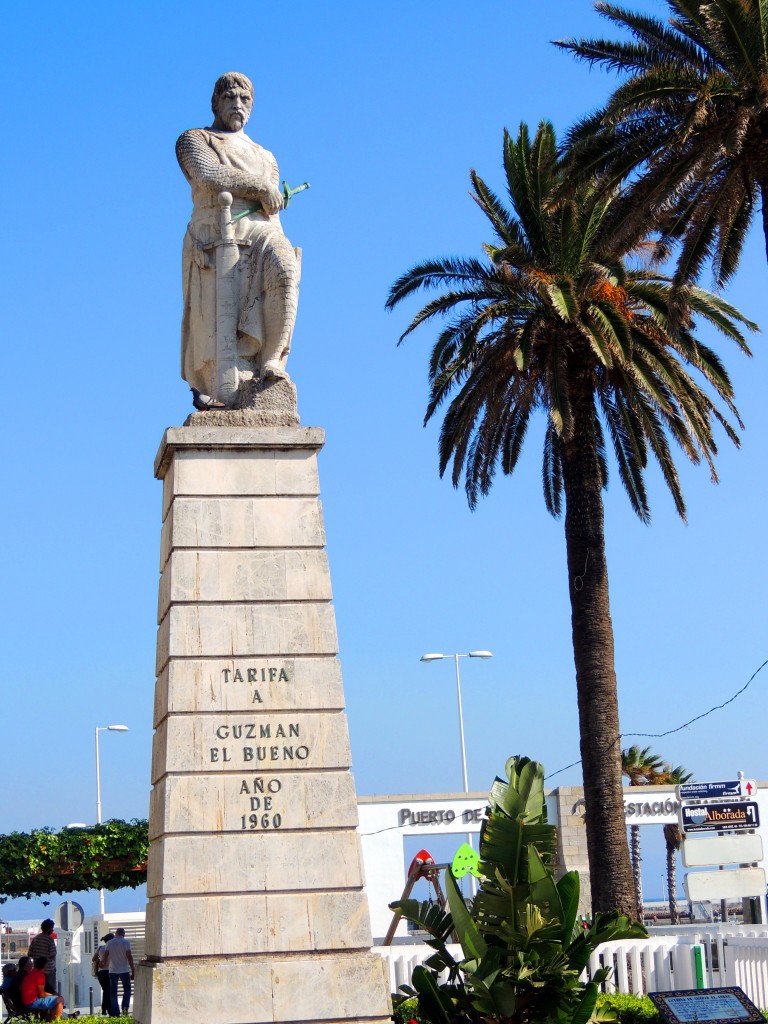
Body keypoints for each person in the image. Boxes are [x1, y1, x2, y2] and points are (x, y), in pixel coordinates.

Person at [177, 71, 301, 399]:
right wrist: (259, 186)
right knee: (218, 328)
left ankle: (272, 359)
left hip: (263, 230)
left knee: (286, 269)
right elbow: (207, 174)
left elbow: (272, 206)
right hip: (215, 231)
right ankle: (224, 387)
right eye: (229, 97)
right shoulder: (195, 139)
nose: (237, 104)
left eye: (244, 99)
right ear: (216, 103)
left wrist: (269, 197)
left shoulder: (266, 156)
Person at [21, 955, 63, 1020]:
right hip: (32, 1002)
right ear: (44, 965)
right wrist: (54, 995)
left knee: (54, 1000)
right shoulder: (40, 975)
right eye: (46, 964)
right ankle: (57, 1021)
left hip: (27, 1001)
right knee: (60, 999)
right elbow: (42, 994)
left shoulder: (32, 973)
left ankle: (51, 1020)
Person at [106, 928, 134, 1016]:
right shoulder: (126, 942)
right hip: (124, 970)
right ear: (123, 934)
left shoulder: (109, 943)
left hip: (112, 970)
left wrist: (102, 963)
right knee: (127, 989)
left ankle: (115, 1012)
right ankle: (125, 1009)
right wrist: (133, 969)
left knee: (113, 992)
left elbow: (106, 955)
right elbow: (129, 956)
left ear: (116, 933)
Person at [28, 918, 57, 995]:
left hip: (37, 970)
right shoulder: (50, 939)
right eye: (52, 928)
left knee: (39, 990)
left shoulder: (35, 939)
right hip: (49, 969)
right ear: (48, 929)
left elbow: (29, 953)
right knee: (50, 989)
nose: (52, 930)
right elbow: (53, 954)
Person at [92, 932, 114, 1015]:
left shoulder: (100, 948)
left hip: (101, 972)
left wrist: (99, 961)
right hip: (109, 971)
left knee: (105, 990)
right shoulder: (112, 949)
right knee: (108, 991)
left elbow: (93, 959)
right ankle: (108, 1009)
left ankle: (105, 1009)